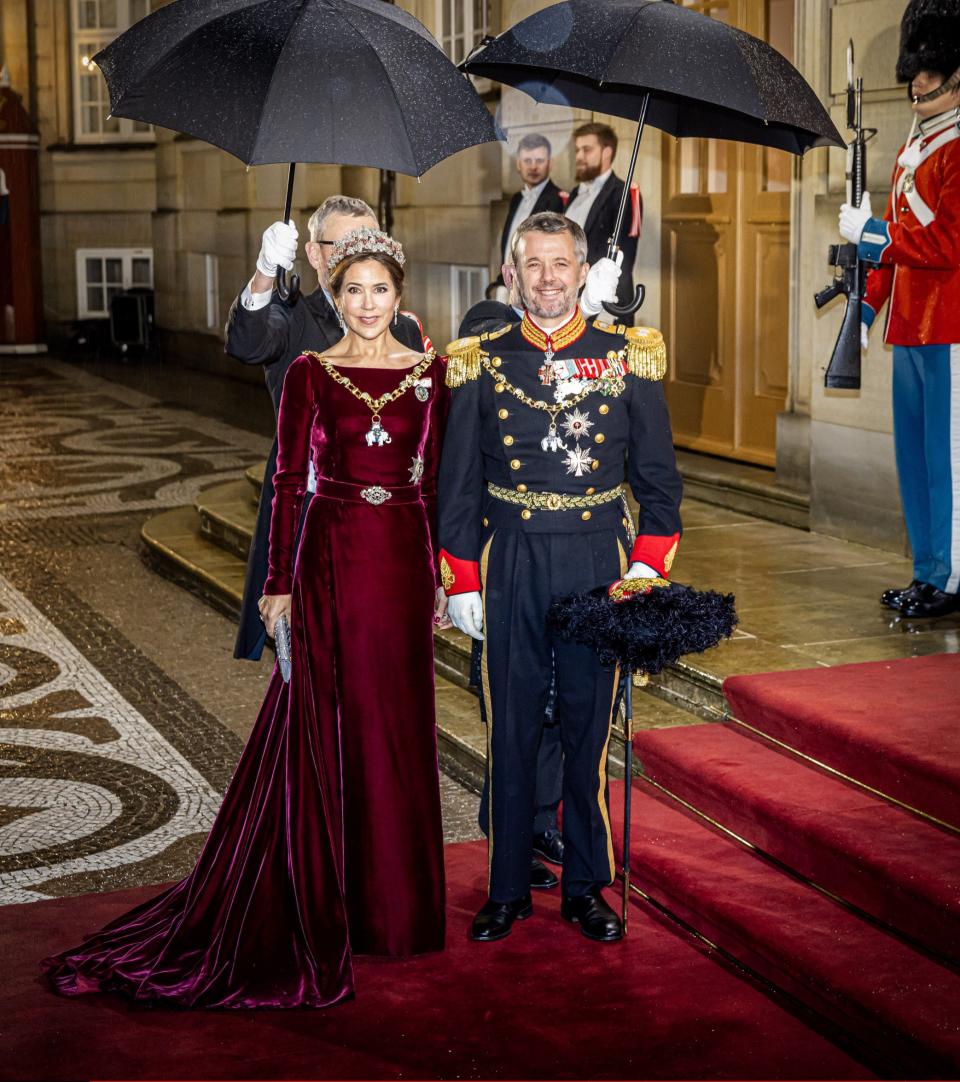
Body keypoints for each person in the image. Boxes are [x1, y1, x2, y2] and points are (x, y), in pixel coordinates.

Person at [42, 228, 448, 1008]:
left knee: (397, 724)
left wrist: (438, 576)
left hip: (400, 560)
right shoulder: (307, 374)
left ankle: (396, 909)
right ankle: (323, 896)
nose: (366, 304)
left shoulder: (433, 377)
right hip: (328, 560)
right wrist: (278, 583)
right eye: (352, 289)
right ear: (335, 295)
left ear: (401, 296)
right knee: (328, 723)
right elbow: (290, 483)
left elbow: (433, 485)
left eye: (380, 290)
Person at [438, 212, 682, 944]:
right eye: (532, 264)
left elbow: (661, 485)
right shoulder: (481, 361)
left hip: (595, 564)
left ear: (582, 271)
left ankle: (584, 888)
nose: (547, 278)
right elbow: (456, 491)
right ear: (512, 274)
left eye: (560, 263)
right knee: (510, 729)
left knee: (586, 729)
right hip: (510, 557)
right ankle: (507, 887)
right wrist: (460, 581)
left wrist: (646, 566)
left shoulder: (626, 356)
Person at [224, 196, 428, 660]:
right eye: (344, 245)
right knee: (315, 668)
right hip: (311, 514)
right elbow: (248, 342)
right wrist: (264, 274)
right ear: (314, 254)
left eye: (369, 241)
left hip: (388, 521)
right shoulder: (291, 315)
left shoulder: (405, 330)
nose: (360, 255)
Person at [839, 0, 960, 619]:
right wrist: (866, 309)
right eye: (916, 68)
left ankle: (952, 575)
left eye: (930, 69)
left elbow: (951, 244)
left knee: (947, 458)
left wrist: (877, 233)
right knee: (913, 456)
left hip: (950, 323)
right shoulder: (915, 145)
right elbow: (897, 250)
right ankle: (928, 568)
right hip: (910, 320)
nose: (917, 79)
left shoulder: (956, 148)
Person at [565, 122, 640, 312]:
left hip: (605, 304)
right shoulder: (574, 193)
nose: (579, 157)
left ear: (607, 152)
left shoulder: (624, 194)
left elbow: (623, 259)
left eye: (587, 150)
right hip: (570, 299)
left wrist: (595, 303)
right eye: (577, 150)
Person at [494, 133, 566, 294]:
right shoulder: (516, 198)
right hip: (508, 286)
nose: (533, 167)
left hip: (536, 290)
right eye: (527, 161)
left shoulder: (558, 200)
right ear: (518, 164)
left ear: (550, 163)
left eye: (539, 160)